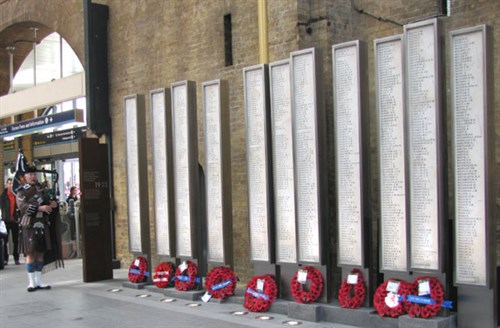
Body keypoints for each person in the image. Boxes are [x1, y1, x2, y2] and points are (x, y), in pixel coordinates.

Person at [16, 166, 61, 292]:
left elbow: (50, 202)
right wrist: (39, 208)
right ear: (24, 176)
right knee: (30, 252)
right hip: (29, 224)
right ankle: (31, 282)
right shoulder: (21, 191)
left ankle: (39, 281)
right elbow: (22, 206)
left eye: (34, 174)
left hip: (43, 223)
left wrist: (53, 204)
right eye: (30, 174)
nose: (33, 176)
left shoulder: (42, 189)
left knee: (40, 252)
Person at [0, 178, 20, 265]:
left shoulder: (16, 195)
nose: (11, 185)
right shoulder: (3, 196)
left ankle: (16, 258)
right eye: (9, 184)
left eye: (12, 184)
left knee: (16, 240)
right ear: (6, 185)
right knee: (5, 240)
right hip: (6, 221)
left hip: (15, 221)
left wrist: (17, 218)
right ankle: (5, 258)